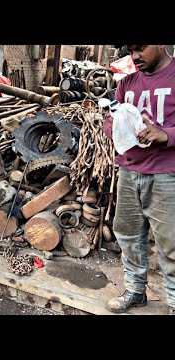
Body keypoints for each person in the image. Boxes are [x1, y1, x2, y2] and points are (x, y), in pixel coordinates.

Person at [102, 45, 175, 315]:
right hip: (130, 170)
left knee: (171, 244)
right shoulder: (127, 83)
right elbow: (110, 122)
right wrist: (112, 125)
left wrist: (165, 134)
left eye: (140, 48)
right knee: (128, 235)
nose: (134, 57)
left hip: (167, 173)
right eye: (130, 50)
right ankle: (135, 291)